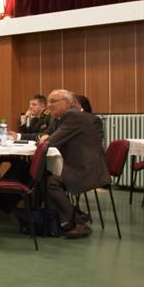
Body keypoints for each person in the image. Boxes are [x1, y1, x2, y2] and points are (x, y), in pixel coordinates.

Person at [41, 89, 110, 239]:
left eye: (53, 101)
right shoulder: (63, 117)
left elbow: (51, 142)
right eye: (48, 102)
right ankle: (64, 218)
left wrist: (44, 140)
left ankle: (78, 223)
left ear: (66, 103)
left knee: (50, 182)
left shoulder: (72, 116)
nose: (49, 105)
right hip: (76, 164)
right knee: (44, 177)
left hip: (86, 169)